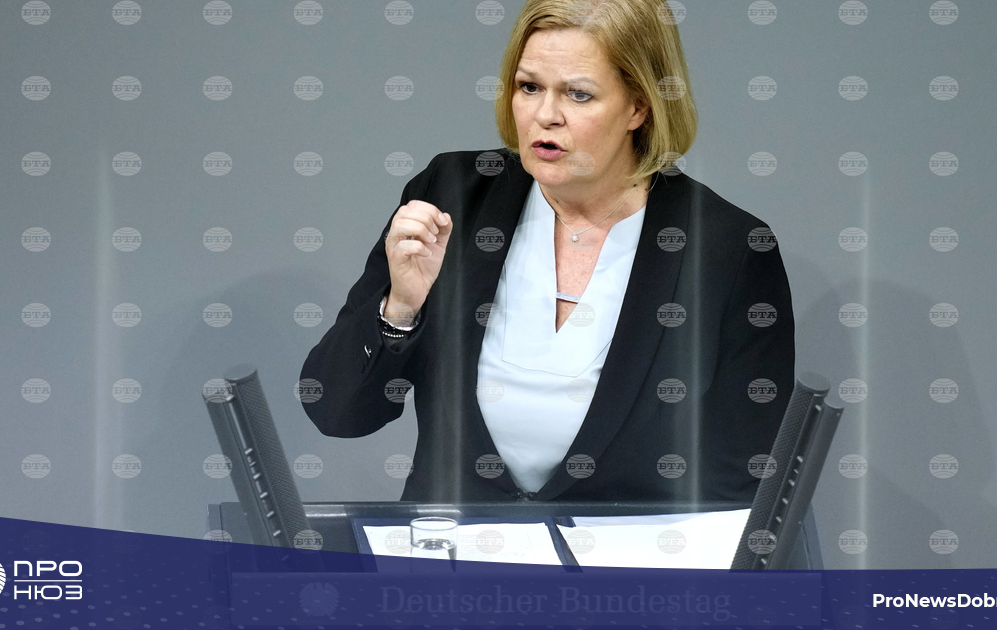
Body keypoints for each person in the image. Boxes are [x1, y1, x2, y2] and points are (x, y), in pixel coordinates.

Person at [299, 0, 794, 504]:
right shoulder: (453, 197)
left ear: (639, 107)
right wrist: (400, 308)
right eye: (529, 87)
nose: (544, 116)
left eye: (579, 94)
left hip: (625, 553)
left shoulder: (727, 250)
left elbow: (740, 484)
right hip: (454, 546)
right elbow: (337, 412)